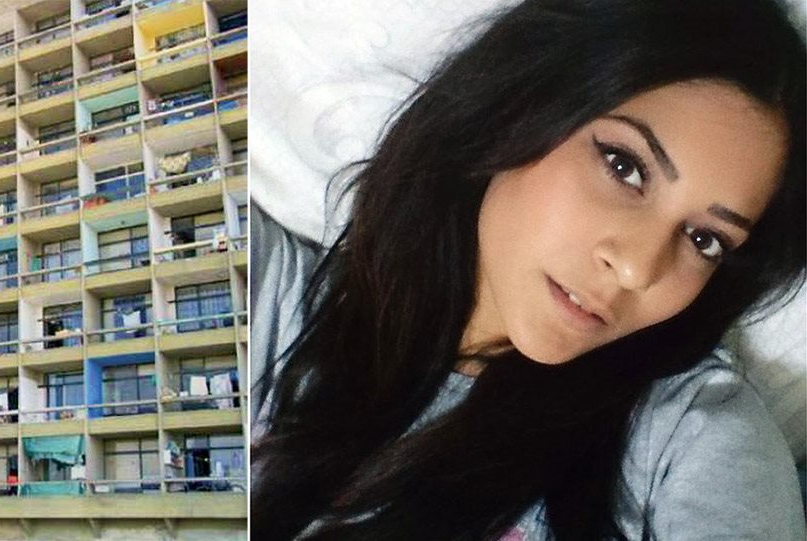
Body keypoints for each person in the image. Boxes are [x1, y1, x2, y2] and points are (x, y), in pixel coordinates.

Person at [250, 0, 806, 540]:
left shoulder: (691, 434)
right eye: (625, 167)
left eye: (705, 239)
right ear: (520, 107)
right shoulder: (272, 301)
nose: (636, 269)